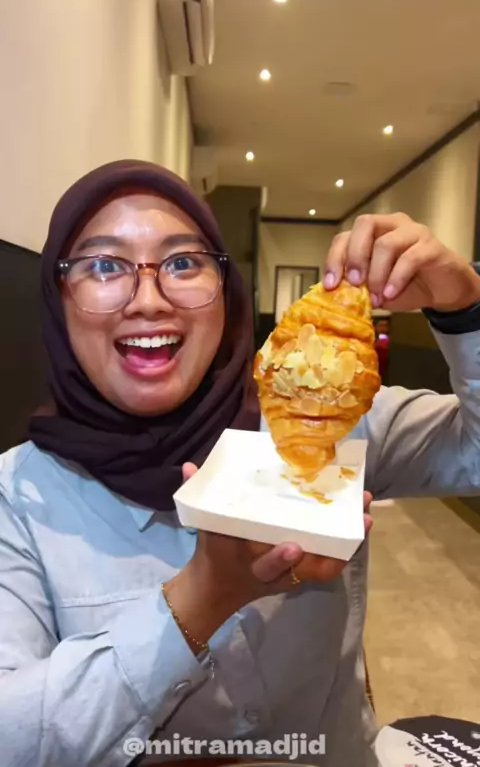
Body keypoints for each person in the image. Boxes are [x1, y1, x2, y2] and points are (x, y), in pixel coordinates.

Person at [1, 160, 480, 767]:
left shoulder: (323, 421)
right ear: (57, 298)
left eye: (182, 262)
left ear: (225, 293)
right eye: (103, 265)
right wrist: (200, 599)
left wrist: (464, 309)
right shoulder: (18, 497)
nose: (148, 300)